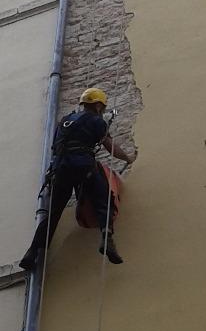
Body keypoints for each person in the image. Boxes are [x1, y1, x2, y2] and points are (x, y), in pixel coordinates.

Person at [19, 88, 136, 272]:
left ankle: (32, 252)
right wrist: (128, 159)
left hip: (59, 169)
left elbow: (55, 147)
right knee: (103, 197)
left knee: (53, 214)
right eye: (102, 107)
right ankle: (107, 238)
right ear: (98, 106)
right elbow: (109, 146)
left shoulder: (65, 122)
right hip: (82, 165)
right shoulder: (96, 121)